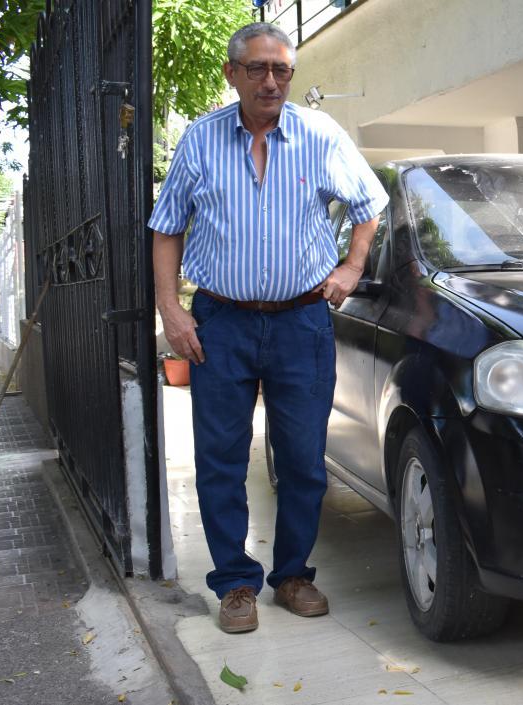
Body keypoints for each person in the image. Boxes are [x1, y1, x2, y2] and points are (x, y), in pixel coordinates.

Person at [148, 22, 388, 634]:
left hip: (301, 323)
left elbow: (370, 203)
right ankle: (234, 584)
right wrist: (171, 310)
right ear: (232, 74)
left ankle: (293, 576)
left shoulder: (320, 135)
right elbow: (167, 226)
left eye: (281, 69)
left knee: (304, 457)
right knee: (221, 458)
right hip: (220, 323)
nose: (271, 80)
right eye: (257, 68)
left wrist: (353, 266)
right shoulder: (200, 142)